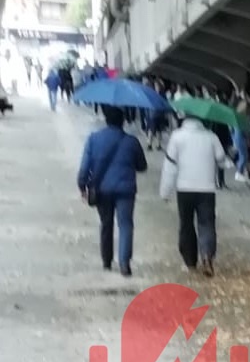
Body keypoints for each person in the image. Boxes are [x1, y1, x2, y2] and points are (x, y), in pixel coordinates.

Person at [77, 106, 147, 277]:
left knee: (106, 224)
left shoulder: (94, 139)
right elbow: (142, 166)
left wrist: (82, 186)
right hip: (125, 189)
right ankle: (124, 263)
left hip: (102, 189)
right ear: (122, 122)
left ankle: (107, 261)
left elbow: (85, 166)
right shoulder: (131, 141)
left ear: (106, 119)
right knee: (126, 224)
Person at [161, 114, 230, 277]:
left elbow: (170, 165)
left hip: (184, 188)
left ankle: (190, 261)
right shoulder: (211, 137)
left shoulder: (177, 136)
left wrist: (165, 190)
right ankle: (206, 255)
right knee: (206, 223)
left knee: (186, 224)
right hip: (206, 189)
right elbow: (221, 160)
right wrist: (227, 163)